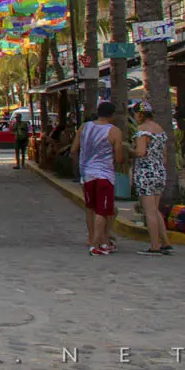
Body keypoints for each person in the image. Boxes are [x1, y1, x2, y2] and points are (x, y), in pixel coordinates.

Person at [71, 100, 125, 256]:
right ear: (112, 115)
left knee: (90, 208)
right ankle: (98, 243)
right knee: (103, 210)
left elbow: (74, 149)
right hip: (104, 175)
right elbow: (119, 157)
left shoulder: (84, 127)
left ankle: (92, 237)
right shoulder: (114, 131)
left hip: (87, 174)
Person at [128, 102, 173, 256]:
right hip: (159, 171)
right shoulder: (159, 130)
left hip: (146, 172)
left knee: (149, 211)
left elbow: (140, 152)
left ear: (140, 114)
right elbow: (165, 154)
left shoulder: (142, 131)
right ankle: (166, 242)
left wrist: (129, 149)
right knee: (155, 209)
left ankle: (155, 245)